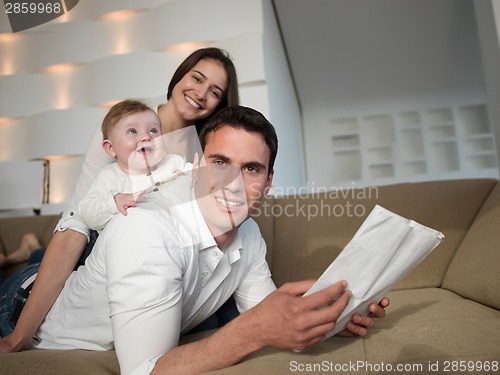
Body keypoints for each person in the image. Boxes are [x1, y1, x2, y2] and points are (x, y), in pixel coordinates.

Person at [30, 106, 389, 374]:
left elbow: (266, 310)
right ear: (198, 165)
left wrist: (329, 318)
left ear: (268, 181)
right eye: (220, 162)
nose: (233, 182)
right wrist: (251, 332)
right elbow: (142, 370)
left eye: (251, 169)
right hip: (27, 310)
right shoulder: (147, 229)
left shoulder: (248, 233)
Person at [0, 47, 239, 352]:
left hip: (160, 257)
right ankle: (32, 255)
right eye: (196, 78)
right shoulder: (125, 123)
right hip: (94, 241)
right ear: (180, 75)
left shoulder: (199, 150)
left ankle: (31, 251)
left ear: (220, 103)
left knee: (215, 311)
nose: (201, 93)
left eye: (214, 91)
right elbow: (78, 223)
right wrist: (19, 336)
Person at [78, 99, 191, 231]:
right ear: (111, 148)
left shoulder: (173, 162)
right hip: (128, 242)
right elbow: (86, 212)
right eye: (132, 131)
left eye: (153, 131)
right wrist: (114, 203)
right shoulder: (109, 177)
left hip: (171, 236)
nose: (146, 137)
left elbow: (203, 184)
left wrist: (194, 176)